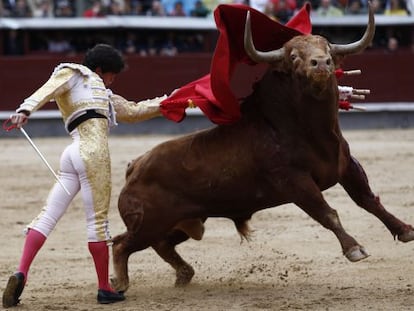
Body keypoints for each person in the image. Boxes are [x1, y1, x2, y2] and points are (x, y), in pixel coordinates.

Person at [2, 44, 172, 307]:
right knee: (98, 223)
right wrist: (25, 109)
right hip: (92, 155)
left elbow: (134, 111)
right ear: (100, 70)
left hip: (71, 154)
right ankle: (104, 288)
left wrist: (169, 102)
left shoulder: (102, 93)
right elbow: (50, 87)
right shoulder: (76, 72)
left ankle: (21, 271)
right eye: (112, 75)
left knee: (48, 215)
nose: (112, 80)